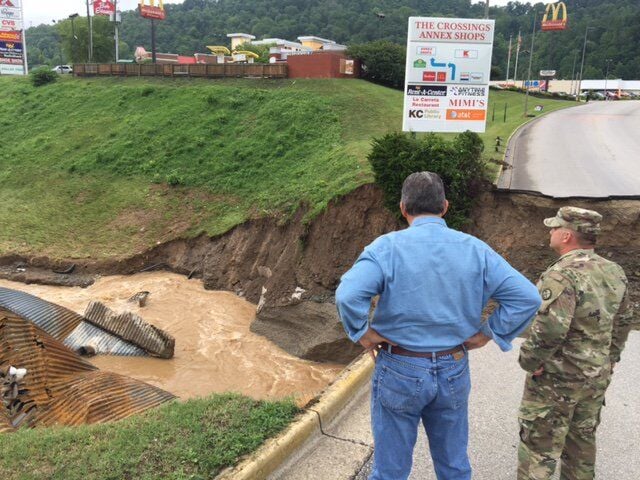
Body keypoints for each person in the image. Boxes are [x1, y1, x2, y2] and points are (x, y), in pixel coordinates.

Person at [335, 171, 541, 480]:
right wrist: (487, 333)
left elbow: (349, 295)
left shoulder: (386, 248)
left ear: (403, 208)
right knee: (453, 465)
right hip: (453, 366)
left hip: (399, 365)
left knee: (390, 470)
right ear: (444, 206)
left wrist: (363, 333)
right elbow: (527, 298)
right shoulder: (475, 249)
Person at [517, 206, 636, 480]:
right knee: (581, 447)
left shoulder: (562, 274)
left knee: (539, 450)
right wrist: (609, 360)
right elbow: (624, 321)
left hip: (556, 381)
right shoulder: (614, 271)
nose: (551, 231)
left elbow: (550, 329)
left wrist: (530, 362)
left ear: (567, 235)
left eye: (555, 227)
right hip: (594, 378)